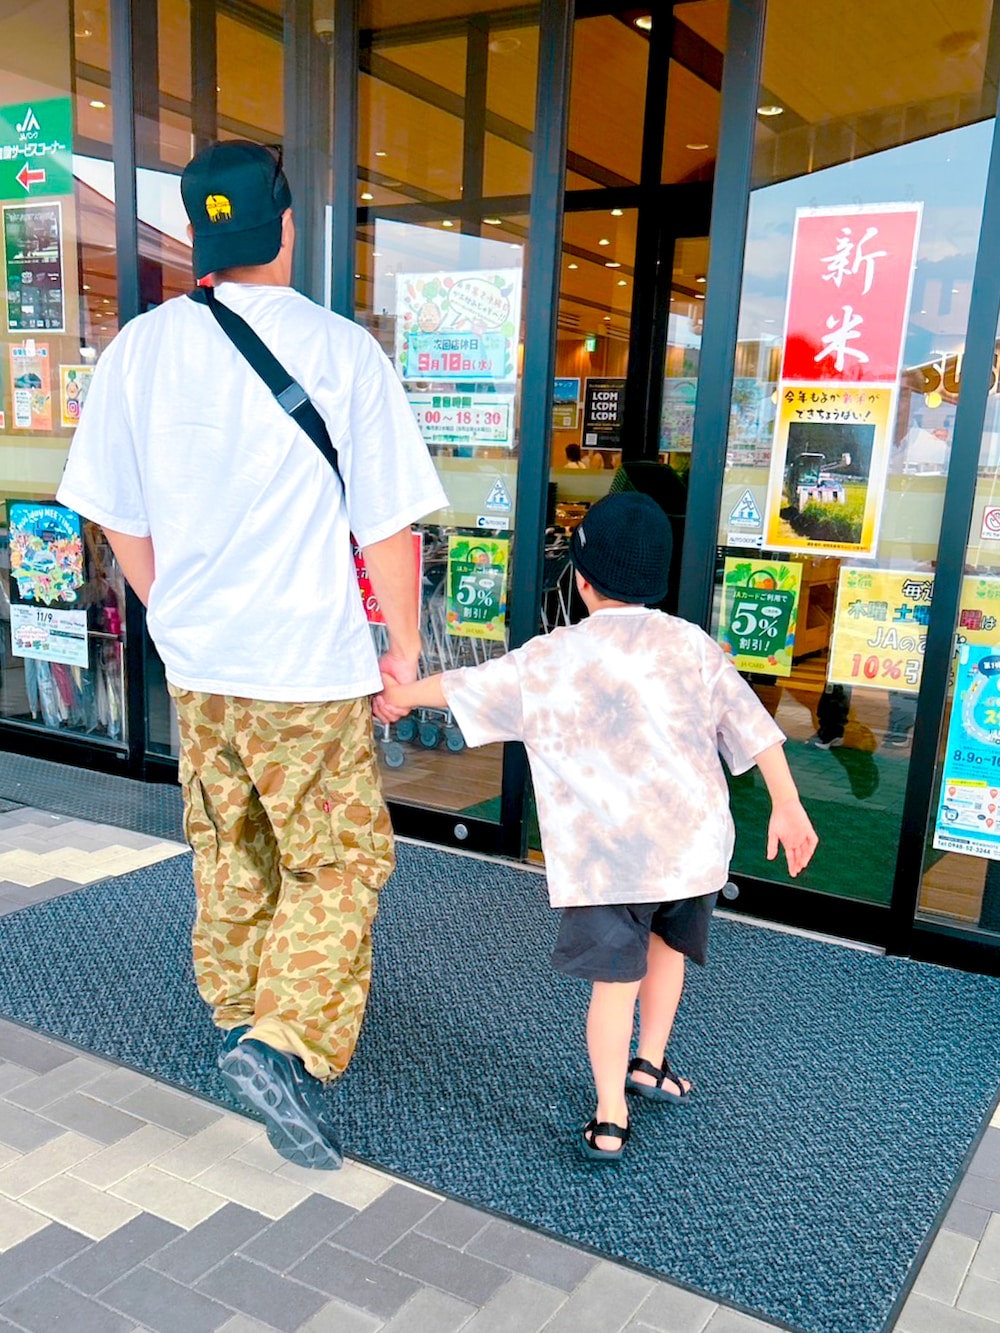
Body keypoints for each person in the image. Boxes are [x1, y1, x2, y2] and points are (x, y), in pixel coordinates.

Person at [56, 140, 447, 1170]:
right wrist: (402, 649)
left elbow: (112, 513)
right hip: (306, 669)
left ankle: (239, 1011)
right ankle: (281, 1039)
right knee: (339, 858)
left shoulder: (137, 351)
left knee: (232, 844)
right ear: (284, 224)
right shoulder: (340, 351)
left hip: (202, 667)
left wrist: (172, 606)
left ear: (198, 233)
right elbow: (389, 528)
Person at [380, 492, 818, 1163]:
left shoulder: (555, 656)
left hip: (611, 862)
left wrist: (396, 696)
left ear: (581, 580)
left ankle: (611, 1114)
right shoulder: (692, 645)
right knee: (671, 952)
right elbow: (756, 731)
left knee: (615, 984)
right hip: (692, 850)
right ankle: (651, 1061)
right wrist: (788, 805)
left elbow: (468, 686)